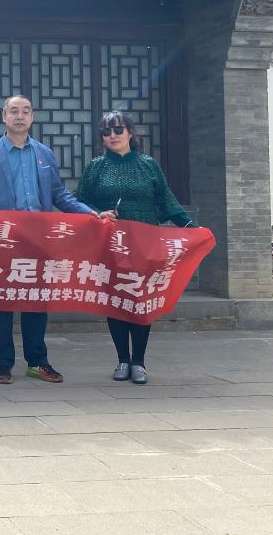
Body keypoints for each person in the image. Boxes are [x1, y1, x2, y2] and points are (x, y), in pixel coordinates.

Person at [0, 94, 113, 386]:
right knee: (2, 303)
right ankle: (3, 364)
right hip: (5, 241)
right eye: (14, 111)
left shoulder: (44, 154)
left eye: (25, 111)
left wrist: (90, 213)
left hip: (39, 241)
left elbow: (59, 194)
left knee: (36, 301)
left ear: (32, 117)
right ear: (4, 116)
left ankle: (37, 362)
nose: (19, 116)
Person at [76, 110, 195, 385]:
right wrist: (98, 213)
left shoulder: (148, 165)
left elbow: (167, 202)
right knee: (116, 301)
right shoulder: (96, 167)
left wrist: (191, 227)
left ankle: (139, 362)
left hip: (144, 244)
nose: (113, 135)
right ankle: (122, 359)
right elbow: (80, 202)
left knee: (141, 300)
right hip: (110, 244)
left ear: (130, 132)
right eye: (106, 132)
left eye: (118, 129)